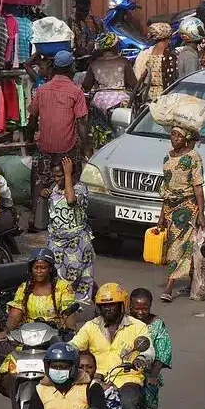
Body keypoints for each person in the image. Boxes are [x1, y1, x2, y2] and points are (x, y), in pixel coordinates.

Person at [70, 283, 153, 409]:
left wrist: (141, 359)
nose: (107, 309)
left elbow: (148, 351)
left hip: (127, 378)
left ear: (122, 305)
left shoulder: (138, 327)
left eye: (112, 304)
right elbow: (74, 345)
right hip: (95, 379)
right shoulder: (90, 326)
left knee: (130, 406)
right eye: (103, 305)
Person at [0, 248, 78, 396]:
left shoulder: (63, 288)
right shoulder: (24, 288)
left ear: (50, 269)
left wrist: (67, 324)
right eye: (36, 267)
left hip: (54, 340)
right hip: (29, 340)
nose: (39, 271)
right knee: (8, 374)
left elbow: (69, 319)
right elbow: (15, 314)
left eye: (43, 267)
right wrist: (6, 331)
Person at [27, 50, 88, 231]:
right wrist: (85, 147)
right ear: (71, 68)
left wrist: (30, 137)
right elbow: (82, 123)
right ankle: (67, 218)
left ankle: (36, 218)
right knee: (68, 182)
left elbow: (32, 117)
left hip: (44, 147)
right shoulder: (76, 91)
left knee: (40, 183)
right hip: (67, 149)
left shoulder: (42, 89)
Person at [9, 342, 108, 409]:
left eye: (62, 367)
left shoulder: (91, 388)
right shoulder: (41, 390)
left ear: (73, 368)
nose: (58, 370)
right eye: (54, 367)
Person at [156, 124, 205, 303]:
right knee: (181, 246)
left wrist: (201, 214)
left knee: (178, 247)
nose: (175, 138)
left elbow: (198, 188)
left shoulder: (193, 157)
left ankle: (170, 285)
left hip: (187, 207)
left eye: (179, 135)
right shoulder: (167, 158)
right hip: (170, 208)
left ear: (186, 138)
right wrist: (162, 215)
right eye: (173, 135)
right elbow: (166, 187)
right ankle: (194, 281)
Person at [45, 157, 95, 304]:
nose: (57, 179)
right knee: (56, 273)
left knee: (77, 275)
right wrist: (45, 192)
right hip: (56, 241)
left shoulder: (80, 189)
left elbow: (71, 201)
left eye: (60, 175)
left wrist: (67, 174)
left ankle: (94, 301)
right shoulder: (55, 188)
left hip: (77, 241)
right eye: (54, 176)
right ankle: (61, 305)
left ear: (72, 174)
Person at [128, 288, 171, 409]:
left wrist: (153, 375)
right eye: (136, 308)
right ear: (129, 306)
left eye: (144, 308)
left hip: (149, 372)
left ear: (150, 306)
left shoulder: (157, 324)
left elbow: (162, 352)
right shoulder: (125, 322)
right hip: (125, 371)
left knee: (150, 399)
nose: (140, 312)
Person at [82, 32, 137, 151]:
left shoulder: (94, 64)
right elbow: (134, 84)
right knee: (121, 131)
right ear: (115, 45)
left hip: (99, 102)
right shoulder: (124, 61)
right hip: (121, 101)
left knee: (100, 131)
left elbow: (86, 86)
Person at [132, 24, 178, 102]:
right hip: (163, 94)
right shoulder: (169, 56)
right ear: (168, 37)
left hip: (147, 94)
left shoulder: (146, 54)